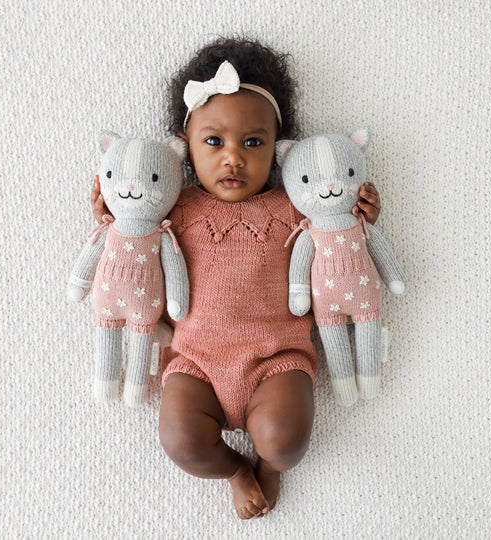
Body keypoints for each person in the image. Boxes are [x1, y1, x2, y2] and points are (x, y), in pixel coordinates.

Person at [91, 37, 381, 519]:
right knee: (180, 439)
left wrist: (365, 209)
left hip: (278, 360)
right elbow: (129, 221)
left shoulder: (294, 203)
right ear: (184, 149)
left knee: (287, 440)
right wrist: (110, 207)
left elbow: (338, 226)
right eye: (213, 141)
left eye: (252, 142)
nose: (233, 158)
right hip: (196, 365)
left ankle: (270, 464)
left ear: (277, 149)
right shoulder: (173, 207)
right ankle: (234, 470)